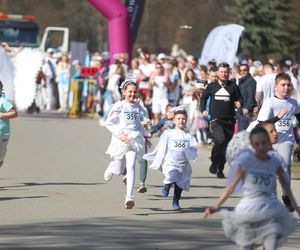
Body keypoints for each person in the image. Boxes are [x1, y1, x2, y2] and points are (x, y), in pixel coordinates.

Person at [204, 127, 300, 250]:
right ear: (252, 146)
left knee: (273, 238)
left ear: (268, 142)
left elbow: (286, 187)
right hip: (249, 211)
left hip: (270, 209)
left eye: (264, 142)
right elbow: (231, 187)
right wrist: (216, 206)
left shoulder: (275, 161)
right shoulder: (246, 161)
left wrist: (296, 208)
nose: (261, 146)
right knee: (247, 246)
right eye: (256, 144)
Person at [103, 79, 151, 209]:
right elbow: (109, 123)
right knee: (119, 171)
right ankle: (112, 166)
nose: (132, 94)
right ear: (124, 92)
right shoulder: (119, 106)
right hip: (121, 138)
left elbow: (138, 124)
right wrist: (120, 135)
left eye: (135, 92)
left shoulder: (138, 107)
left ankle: (129, 197)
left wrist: (145, 135)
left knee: (131, 165)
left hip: (134, 139)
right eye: (130, 91)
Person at [256, 72, 300, 211]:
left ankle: (287, 196)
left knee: (285, 165)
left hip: (286, 140)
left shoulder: (293, 103)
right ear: (276, 87)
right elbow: (261, 124)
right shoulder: (269, 102)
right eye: (283, 85)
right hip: (268, 142)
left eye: (288, 85)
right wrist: (277, 117)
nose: (286, 88)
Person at [144, 108, 198, 210]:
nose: (181, 120)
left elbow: (193, 149)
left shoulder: (189, 136)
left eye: (183, 118)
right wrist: (159, 158)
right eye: (178, 118)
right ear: (174, 121)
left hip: (183, 164)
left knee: (180, 184)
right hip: (170, 162)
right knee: (171, 174)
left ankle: (176, 200)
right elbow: (162, 146)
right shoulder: (168, 133)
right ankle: (167, 185)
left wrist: (190, 153)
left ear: (186, 120)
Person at [200, 62, 242, 178]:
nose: (224, 74)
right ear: (218, 73)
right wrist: (203, 109)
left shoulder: (233, 86)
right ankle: (214, 163)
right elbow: (203, 98)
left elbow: (239, 98)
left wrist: (239, 103)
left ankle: (220, 169)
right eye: (221, 72)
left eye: (226, 72)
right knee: (220, 140)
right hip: (215, 119)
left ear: (229, 73)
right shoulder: (212, 86)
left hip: (229, 120)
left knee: (226, 146)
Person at [0, 80, 17, 167]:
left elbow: (14, 113)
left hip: (2, 133)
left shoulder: (3, 101)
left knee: (0, 158)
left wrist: (1, 115)